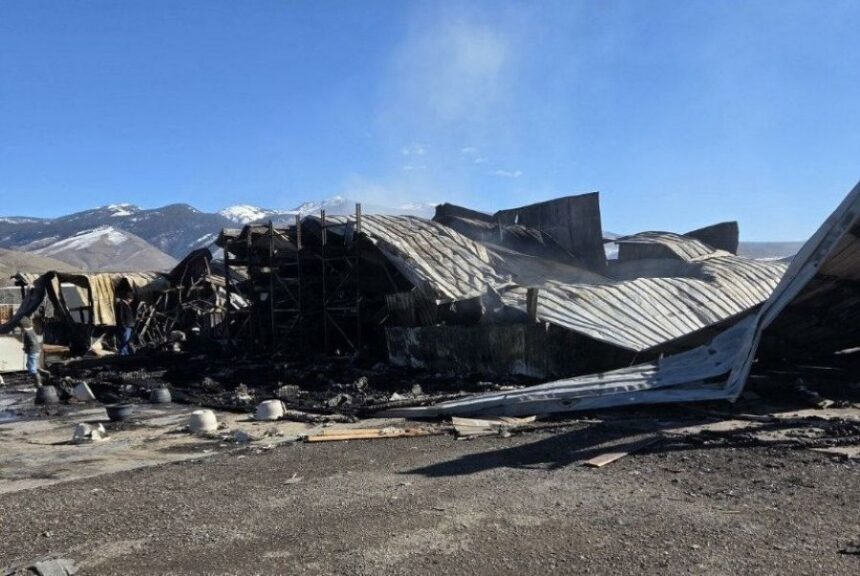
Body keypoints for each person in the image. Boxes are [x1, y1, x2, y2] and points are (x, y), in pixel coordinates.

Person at [20, 316, 42, 386]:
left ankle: (38, 383)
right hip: (35, 351)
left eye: (21, 327)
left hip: (33, 351)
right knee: (30, 365)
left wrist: (26, 349)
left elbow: (33, 342)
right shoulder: (31, 331)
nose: (21, 329)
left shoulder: (27, 333)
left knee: (32, 369)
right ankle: (42, 374)